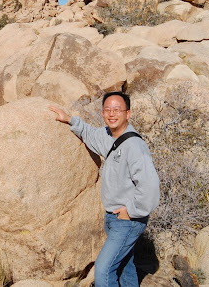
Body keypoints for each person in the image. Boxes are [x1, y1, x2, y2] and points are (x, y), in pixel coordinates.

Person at [49, 91, 160, 287]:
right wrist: (69, 120)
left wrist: (131, 211)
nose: (111, 114)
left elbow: (150, 187)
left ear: (128, 113)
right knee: (125, 268)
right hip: (114, 218)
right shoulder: (110, 136)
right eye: (107, 110)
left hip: (127, 221)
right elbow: (91, 134)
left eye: (117, 109)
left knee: (103, 270)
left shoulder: (134, 146)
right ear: (102, 113)